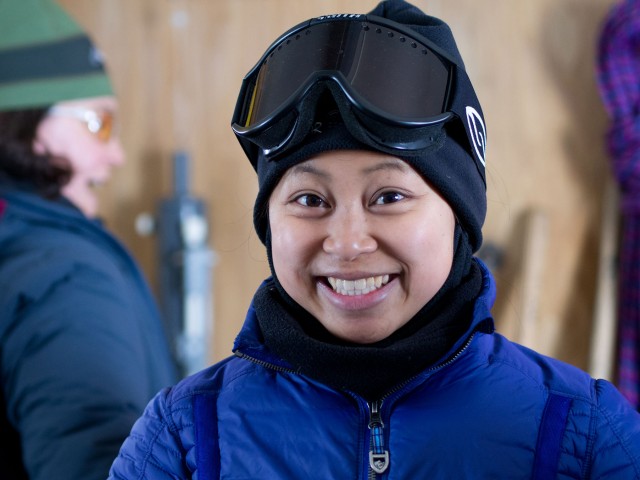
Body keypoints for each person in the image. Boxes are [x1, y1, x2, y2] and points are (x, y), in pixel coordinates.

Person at [109, 1, 640, 478]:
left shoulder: (585, 433)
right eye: (309, 200)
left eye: (388, 197)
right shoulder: (183, 438)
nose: (346, 242)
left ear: (458, 215)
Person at [0, 1, 179, 479]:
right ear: (27, 120)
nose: (116, 155)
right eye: (99, 124)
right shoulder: (62, 276)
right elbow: (98, 456)